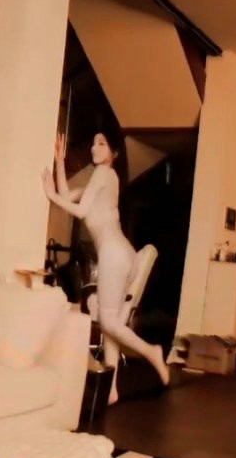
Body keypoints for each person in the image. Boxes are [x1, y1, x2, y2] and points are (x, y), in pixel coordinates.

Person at [42, 132, 169, 404]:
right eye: (92, 142)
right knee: (108, 318)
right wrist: (59, 162)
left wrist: (50, 193)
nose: (93, 147)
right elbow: (67, 196)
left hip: (114, 255)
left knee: (109, 321)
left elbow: (78, 210)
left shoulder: (103, 173)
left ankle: (151, 352)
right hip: (121, 254)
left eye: (101, 143)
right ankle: (111, 390)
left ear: (114, 152)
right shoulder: (105, 180)